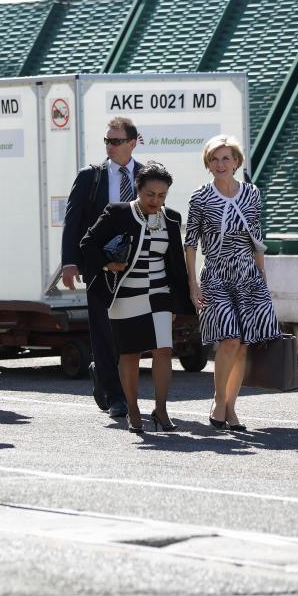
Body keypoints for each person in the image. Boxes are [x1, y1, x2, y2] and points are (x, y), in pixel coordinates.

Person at [81, 163, 193, 432]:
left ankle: (161, 410)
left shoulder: (172, 218)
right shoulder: (118, 213)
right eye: (150, 194)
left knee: (163, 350)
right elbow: (88, 243)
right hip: (125, 294)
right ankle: (133, 410)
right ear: (138, 190)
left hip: (160, 293)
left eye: (162, 195)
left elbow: (176, 264)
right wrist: (108, 265)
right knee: (130, 354)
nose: (156, 201)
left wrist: (179, 302)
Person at [184, 135, 280, 432]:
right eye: (214, 159)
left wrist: (262, 277)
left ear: (237, 162)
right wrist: (192, 285)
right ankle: (218, 400)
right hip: (215, 273)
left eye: (226, 158)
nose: (220, 164)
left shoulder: (251, 194)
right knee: (230, 339)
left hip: (248, 274)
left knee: (243, 346)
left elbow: (257, 239)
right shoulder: (199, 197)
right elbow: (190, 244)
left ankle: (232, 408)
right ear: (208, 164)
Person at [60, 116, 143, 417]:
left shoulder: (146, 176)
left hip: (136, 267)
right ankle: (116, 395)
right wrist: (70, 262)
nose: (110, 146)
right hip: (99, 267)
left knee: (129, 332)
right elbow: (72, 221)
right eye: (107, 140)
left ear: (133, 143)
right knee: (104, 331)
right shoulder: (90, 176)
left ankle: (105, 373)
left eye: (117, 141)